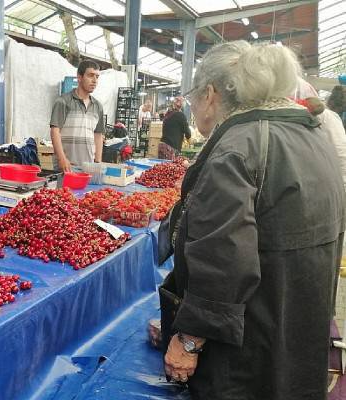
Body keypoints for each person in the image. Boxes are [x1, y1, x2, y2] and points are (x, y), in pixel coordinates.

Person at [161, 41, 344, 400]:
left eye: (193, 96)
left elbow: (223, 261)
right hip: (296, 338)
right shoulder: (311, 134)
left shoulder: (238, 148)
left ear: (210, 94)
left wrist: (188, 340)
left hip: (245, 353)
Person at [49, 60, 105, 172]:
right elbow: (55, 131)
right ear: (79, 77)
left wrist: (98, 161)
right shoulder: (63, 102)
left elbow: (98, 135)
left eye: (97, 77)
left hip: (88, 167)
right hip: (67, 166)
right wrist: (62, 159)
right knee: (63, 190)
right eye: (90, 75)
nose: (94, 80)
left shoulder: (97, 106)